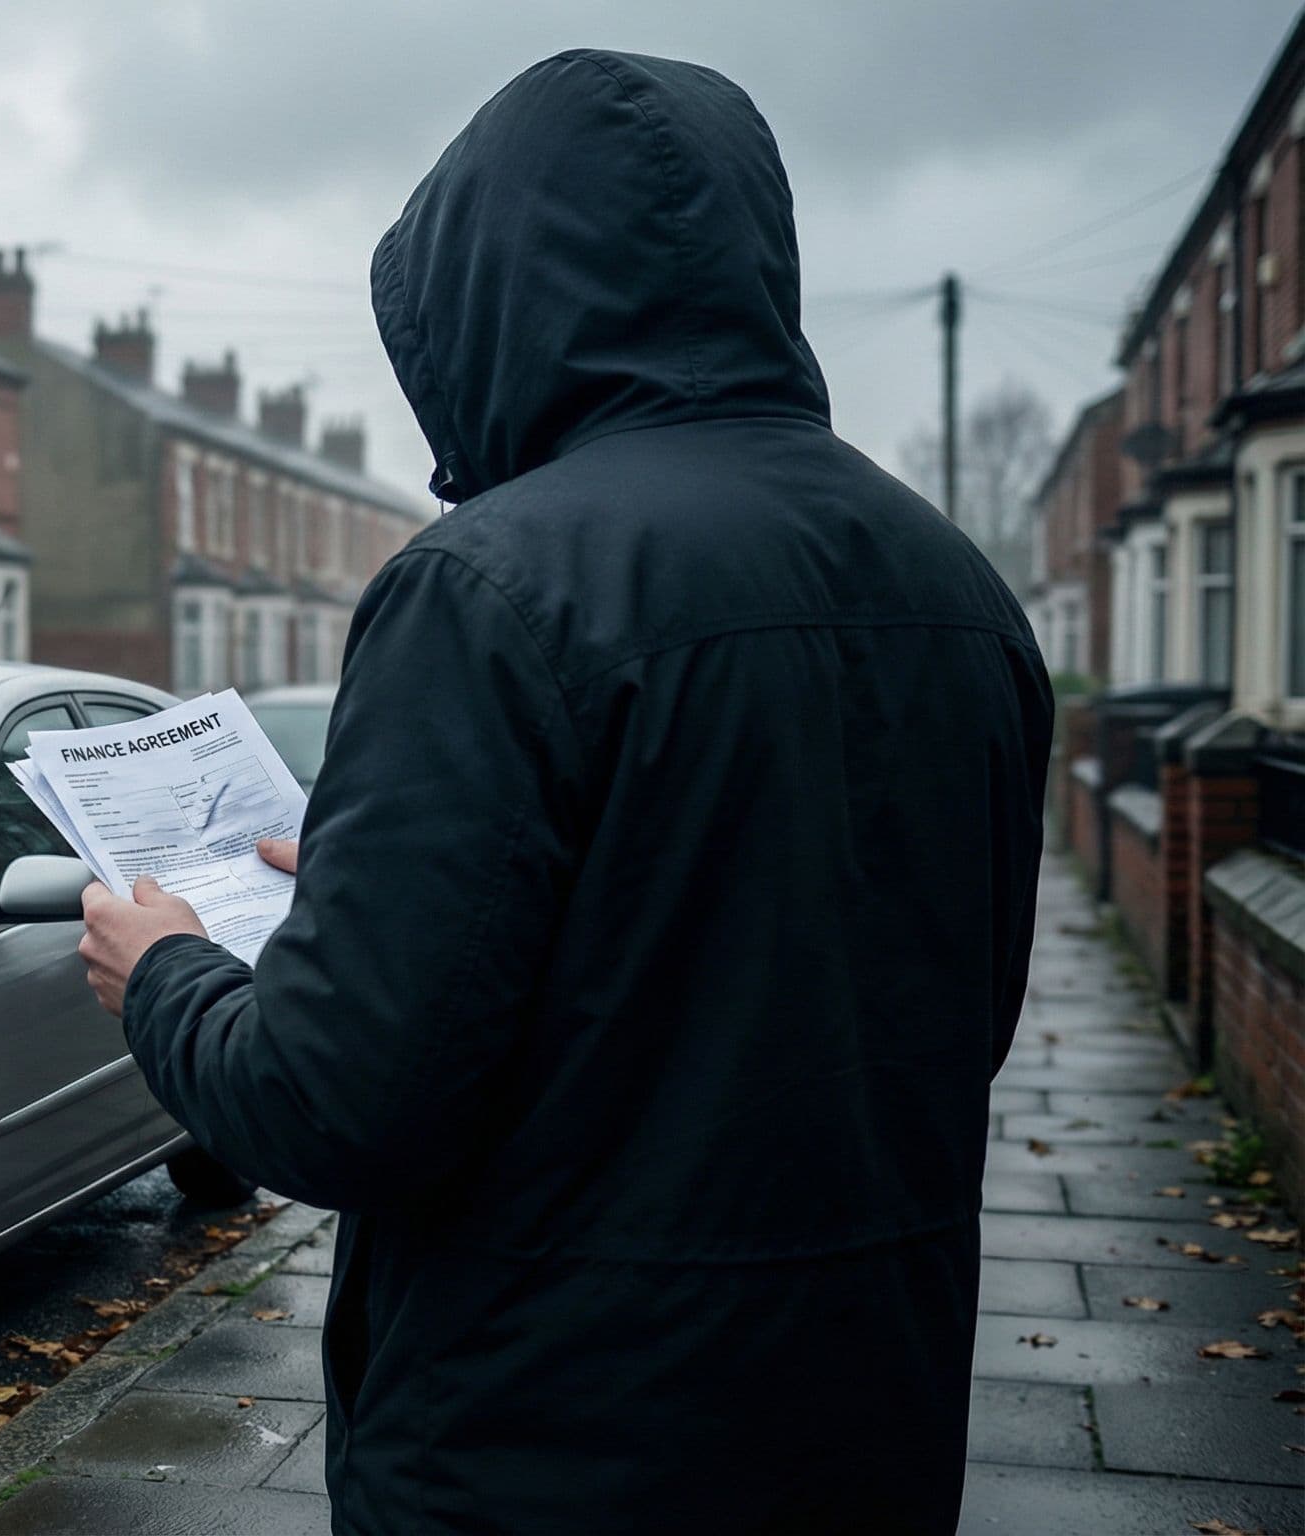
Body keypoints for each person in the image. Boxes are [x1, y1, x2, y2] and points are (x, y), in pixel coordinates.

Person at [78, 49, 1051, 1536]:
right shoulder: (960, 595)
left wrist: (168, 976)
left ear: (486, 300)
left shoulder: (489, 589)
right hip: (867, 1433)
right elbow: (930, 1028)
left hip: (541, 1452)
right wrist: (368, 887)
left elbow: (333, 1106)